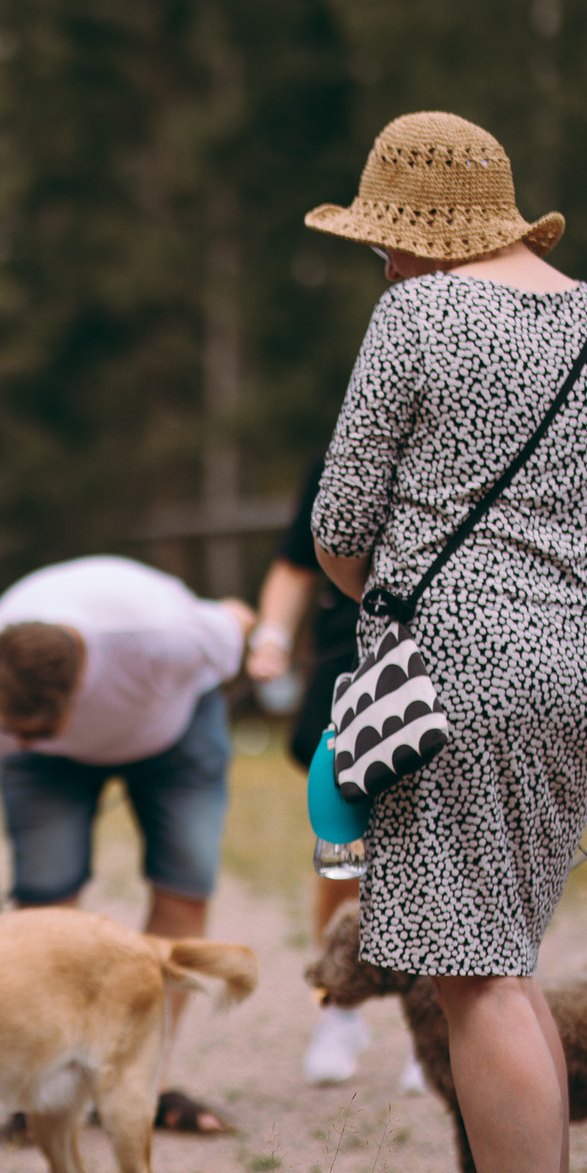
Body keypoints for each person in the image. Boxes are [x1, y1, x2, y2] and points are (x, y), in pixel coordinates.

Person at [304, 110, 587, 1173]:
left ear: (410, 237)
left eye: (380, 243)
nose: (380, 265)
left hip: (457, 673)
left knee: (471, 975)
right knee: (505, 959)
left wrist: (461, 620)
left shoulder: (414, 318)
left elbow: (338, 530)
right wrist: (558, 610)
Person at [0, 555, 252, 1134]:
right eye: (8, 730)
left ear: (81, 688)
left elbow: (238, 617)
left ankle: (143, 1078)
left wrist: (266, 645)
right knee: (45, 907)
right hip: (50, 771)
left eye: (33, 730)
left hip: (178, 729)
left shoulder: (162, 640)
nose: (15, 740)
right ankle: (47, 1080)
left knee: (184, 884)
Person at [248, 453, 423, 1094]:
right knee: (342, 841)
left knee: (436, 848)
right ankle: (337, 1008)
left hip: (450, 649)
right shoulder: (343, 451)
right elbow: (298, 561)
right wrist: (271, 639)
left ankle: (429, 1022)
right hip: (349, 652)